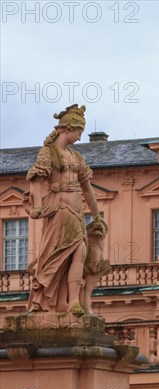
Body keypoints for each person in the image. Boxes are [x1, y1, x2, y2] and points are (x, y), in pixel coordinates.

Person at [24, 104, 104, 315]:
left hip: (76, 209)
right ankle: (53, 301)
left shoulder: (77, 157)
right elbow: (36, 179)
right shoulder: (48, 152)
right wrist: (38, 206)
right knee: (56, 257)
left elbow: (87, 189)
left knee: (79, 253)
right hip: (58, 209)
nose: (79, 137)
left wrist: (96, 215)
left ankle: (74, 302)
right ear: (67, 129)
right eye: (79, 131)